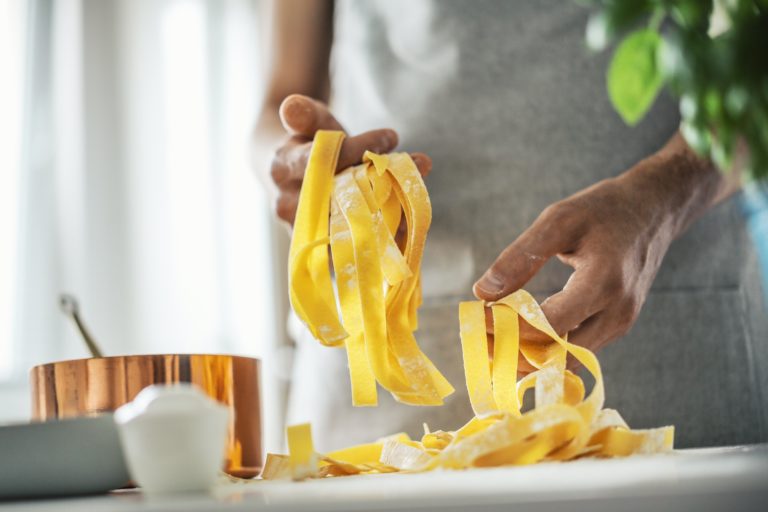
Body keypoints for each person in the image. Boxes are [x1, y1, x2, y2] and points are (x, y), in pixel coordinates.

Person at [253, 0, 767, 450]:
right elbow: (277, 104)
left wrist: (661, 199)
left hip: (676, 347)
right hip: (370, 384)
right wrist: (293, 167)